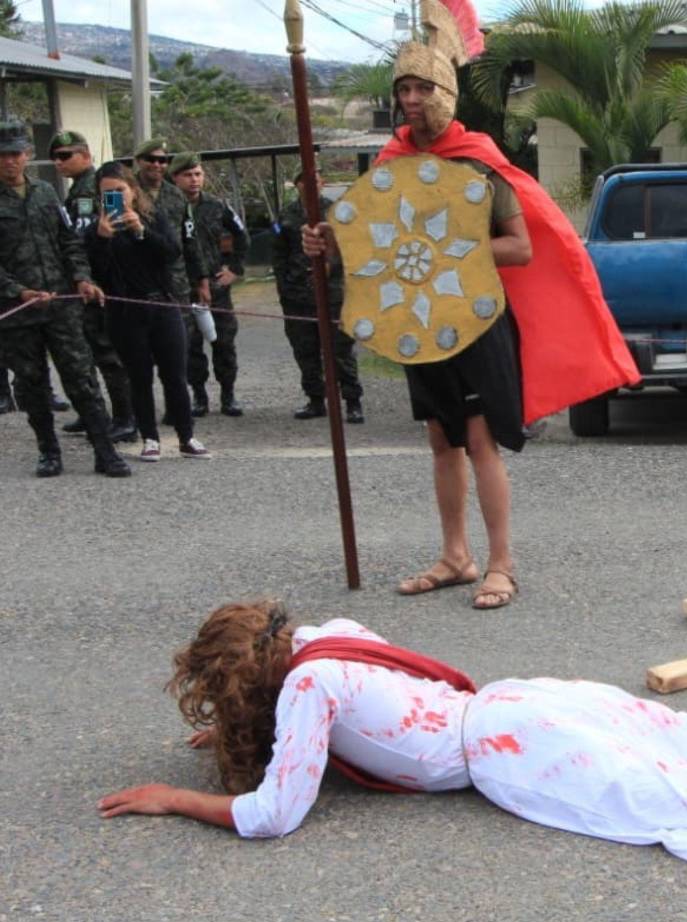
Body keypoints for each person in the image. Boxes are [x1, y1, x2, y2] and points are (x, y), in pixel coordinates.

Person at [97, 599, 687, 869]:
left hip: (504, 756)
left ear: (244, 687)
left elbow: (275, 814)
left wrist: (179, 799)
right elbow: (355, 703)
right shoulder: (330, 641)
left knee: (665, 794)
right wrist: (263, 724)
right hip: (519, 702)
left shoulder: (306, 695)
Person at [302, 0, 639, 609]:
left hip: (478, 321)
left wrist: (453, 249)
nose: (408, 99)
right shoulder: (391, 165)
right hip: (421, 324)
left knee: (482, 440)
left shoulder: (481, 165)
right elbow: (368, 246)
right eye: (401, 88)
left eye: (419, 87)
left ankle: (502, 563)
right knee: (441, 440)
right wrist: (325, 242)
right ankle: (455, 556)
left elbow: (519, 248)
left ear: (444, 92)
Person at [0, 119, 130, 478]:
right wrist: (18, 291)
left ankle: (104, 451)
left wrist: (82, 278)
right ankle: (48, 451)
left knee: (82, 376)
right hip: (19, 310)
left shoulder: (45, 193)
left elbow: (69, 240)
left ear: (26, 155)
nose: (10, 162)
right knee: (32, 383)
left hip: (60, 304)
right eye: (3, 156)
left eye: (16, 154)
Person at [85, 161, 212, 462]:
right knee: (139, 377)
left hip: (162, 305)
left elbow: (171, 253)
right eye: (107, 194)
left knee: (175, 375)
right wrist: (102, 240)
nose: (114, 198)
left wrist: (140, 231)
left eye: (120, 191)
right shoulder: (96, 230)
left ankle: (187, 436)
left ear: (132, 190)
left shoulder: (154, 217)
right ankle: (150, 438)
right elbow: (97, 272)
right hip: (124, 311)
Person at [49, 130, 137, 443]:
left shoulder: (97, 189)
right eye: (55, 157)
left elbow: (98, 237)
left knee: (107, 352)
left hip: (100, 282)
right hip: (83, 281)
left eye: (66, 155)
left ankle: (126, 417)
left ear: (85, 156)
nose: (59, 162)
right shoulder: (76, 192)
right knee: (88, 352)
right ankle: (95, 413)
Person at [271, 171, 365, 424]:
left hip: (333, 293)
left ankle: (353, 401)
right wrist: (284, 287)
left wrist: (333, 273)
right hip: (297, 296)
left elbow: (350, 249)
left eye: (317, 180)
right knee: (305, 350)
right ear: (297, 184)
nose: (311, 185)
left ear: (323, 183)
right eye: (305, 180)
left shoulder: (337, 212)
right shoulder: (287, 215)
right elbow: (278, 254)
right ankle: (315, 399)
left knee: (340, 350)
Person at [170, 152, 248, 417]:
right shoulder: (170, 207)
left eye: (198, 174)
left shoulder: (217, 206)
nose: (194, 180)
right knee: (190, 346)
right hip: (184, 287)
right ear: (175, 178)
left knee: (224, 342)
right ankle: (199, 397)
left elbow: (241, 235)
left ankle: (228, 396)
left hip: (216, 287)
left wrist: (234, 269)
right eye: (187, 175)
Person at [132, 138, 205, 418]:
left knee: (177, 349)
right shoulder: (122, 191)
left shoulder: (176, 196)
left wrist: (201, 280)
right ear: (139, 160)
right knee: (138, 354)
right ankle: (137, 413)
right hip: (137, 284)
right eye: (151, 159)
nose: (157, 165)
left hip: (175, 284)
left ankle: (176, 406)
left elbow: (189, 240)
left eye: (163, 160)